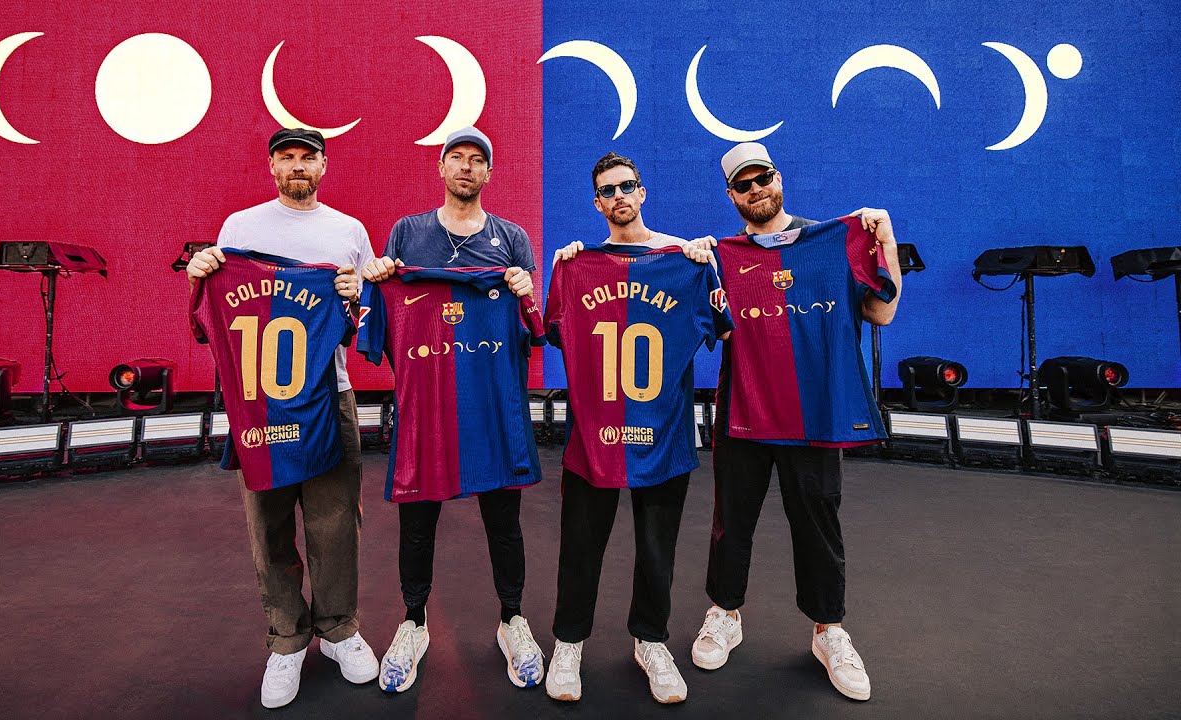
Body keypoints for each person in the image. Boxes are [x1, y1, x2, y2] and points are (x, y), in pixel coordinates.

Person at [688, 141, 901, 702]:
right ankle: (724, 614)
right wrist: (691, 264)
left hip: (815, 414)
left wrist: (886, 240)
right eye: (744, 184)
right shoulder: (720, 256)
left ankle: (829, 631)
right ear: (731, 195)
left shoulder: (830, 244)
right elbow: (703, 327)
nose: (757, 189)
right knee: (730, 520)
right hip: (744, 409)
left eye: (763, 178)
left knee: (818, 521)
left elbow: (882, 310)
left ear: (779, 179)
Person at [186, 127, 378, 709]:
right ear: (272, 165)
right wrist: (202, 271)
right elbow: (218, 309)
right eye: (287, 157)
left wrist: (354, 294)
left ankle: (340, 628)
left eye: (308, 157)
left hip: (329, 393)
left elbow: (368, 318)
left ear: (324, 164)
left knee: (335, 518)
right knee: (267, 519)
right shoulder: (240, 227)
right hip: (259, 399)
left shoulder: (348, 231)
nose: (298, 166)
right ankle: (287, 639)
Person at [359, 126, 544, 692]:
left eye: (477, 161)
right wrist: (377, 279)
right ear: (441, 169)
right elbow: (378, 321)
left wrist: (523, 287)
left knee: (504, 523)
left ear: (489, 173)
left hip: (492, 406)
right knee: (417, 524)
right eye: (456, 159)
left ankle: (513, 618)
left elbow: (533, 326)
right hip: (426, 410)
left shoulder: (511, 238)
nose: (466, 168)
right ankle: (412, 623)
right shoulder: (407, 234)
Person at [543, 152, 732, 704]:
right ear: (597, 202)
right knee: (580, 546)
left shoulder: (685, 258)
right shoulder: (575, 264)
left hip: (663, 434)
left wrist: (707, 267)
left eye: (628, 186)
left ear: (643, 192)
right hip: (595, 438)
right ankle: (568, 642)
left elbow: (721, 328)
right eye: (608, 190)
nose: (619, 195)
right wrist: (567, 266)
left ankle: (651, 640)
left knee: (657, 548)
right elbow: (557, 331)